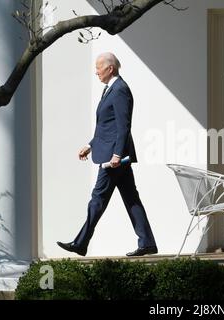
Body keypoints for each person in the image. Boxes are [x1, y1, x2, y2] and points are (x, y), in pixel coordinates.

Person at [57, 52, 157, 257]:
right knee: (131, 199)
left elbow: (123, 126)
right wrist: (90, 144)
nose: (96, 71)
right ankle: (147, 243)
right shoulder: (111, 89)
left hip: (114, 158)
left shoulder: (120, 89)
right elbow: (106, 126)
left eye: (98, 67)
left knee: (97, 198)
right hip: (113, 153)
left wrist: (117, 155)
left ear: (110, 68)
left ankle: (81, 242)